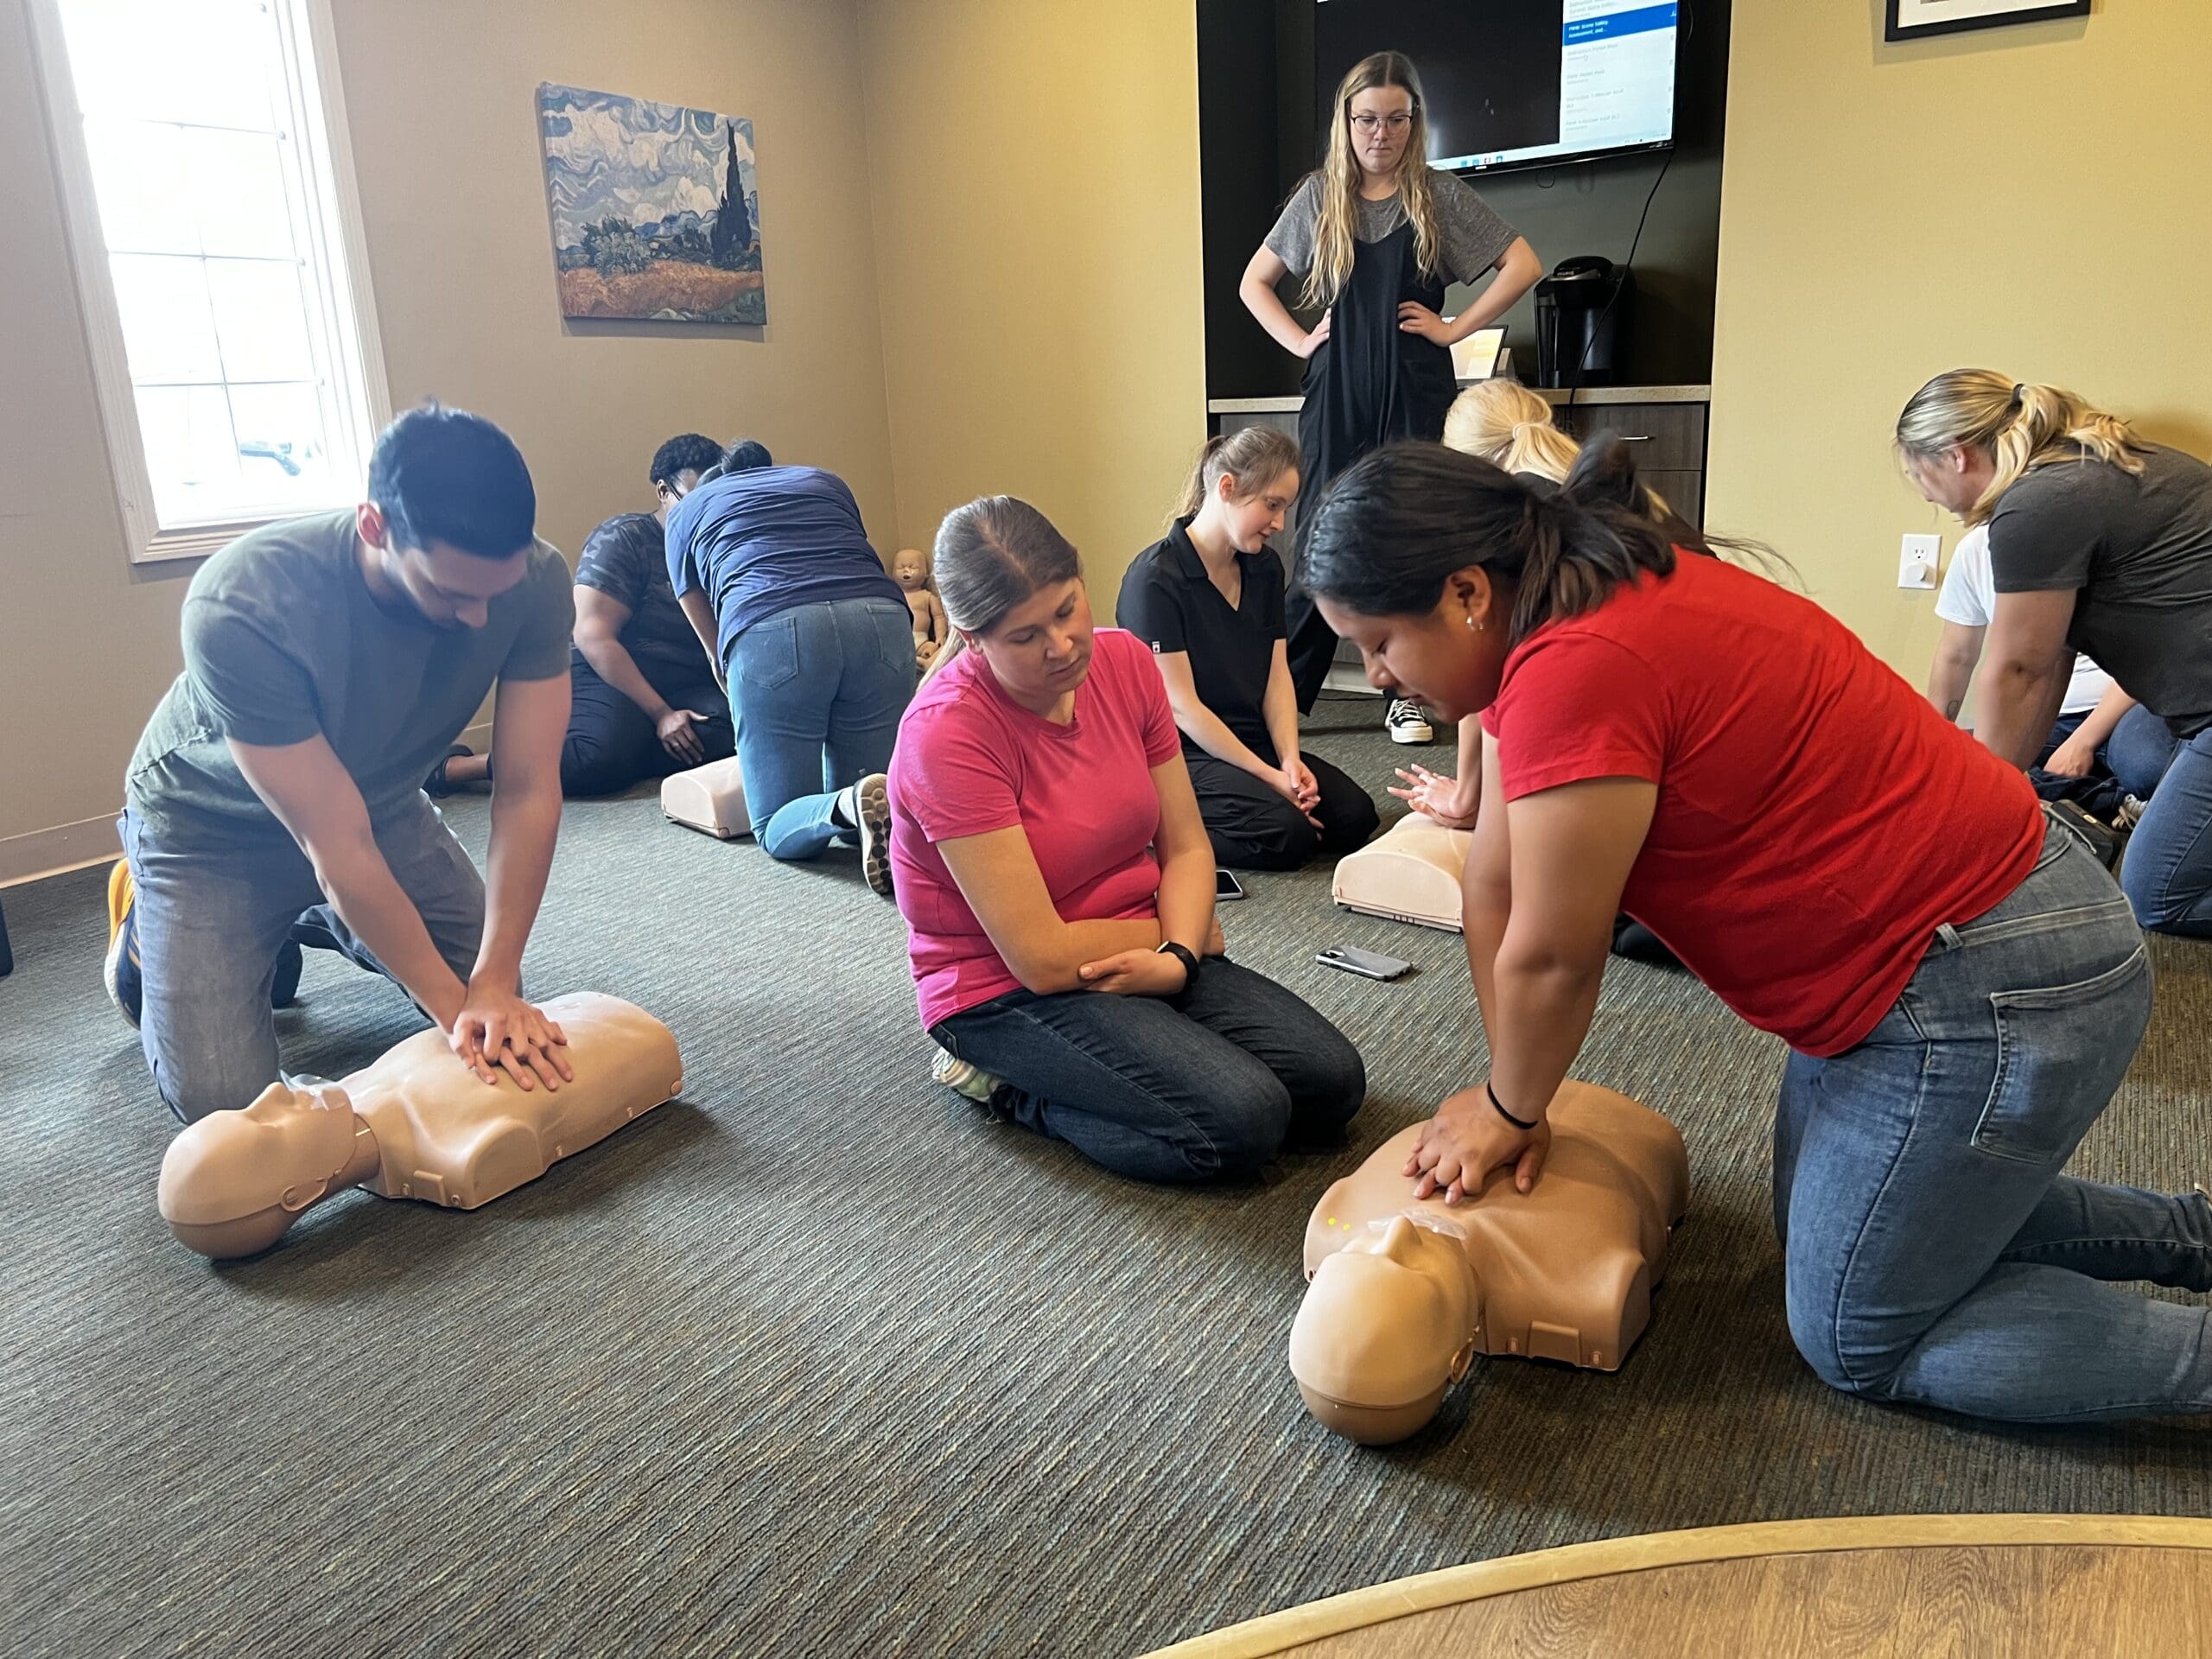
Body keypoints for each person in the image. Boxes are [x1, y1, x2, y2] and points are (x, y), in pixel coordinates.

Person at [1300, 437, 2211, 1425]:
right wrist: (1506, 1090)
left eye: (1380, 642)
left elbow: (1557, 955)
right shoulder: (1571, 602)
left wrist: (1513, 1109)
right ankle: (2196, 1237)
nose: (1373, 674)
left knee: (1861, 1330)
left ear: (1468, 593)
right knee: (1846, 1229)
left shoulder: (1578, 664)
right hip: (1952, 948)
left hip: (1993, 980)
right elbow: (1494, 878)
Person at [105, 404, 579, 1123]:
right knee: (230, 1110)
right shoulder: (242, 601)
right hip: (207, 835)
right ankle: (146, 935)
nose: (481, 619)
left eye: (496, 592)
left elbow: (526, 789)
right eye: (453, 594)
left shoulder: (538, 581)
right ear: (374, 527)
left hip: (380, 804)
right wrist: (458, 1017)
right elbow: (338, 847)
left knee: (493, 998)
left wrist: (494, 980)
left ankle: (307, 921)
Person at [887, 495, 1366, 1183]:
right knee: (1242, 1123)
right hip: (1002, 989)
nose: (1061, 646)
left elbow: (1189, 848)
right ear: (970, 635)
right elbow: (1043, 959)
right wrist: (1178, 938)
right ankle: (1004, 1087)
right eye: (1024, 637)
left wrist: (1177, 954)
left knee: (1331, 1086)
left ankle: (1143, 1049)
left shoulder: (1125, 662)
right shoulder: (947, 733)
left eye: (1066, 609)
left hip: (1145, 938)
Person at [1240, 49, 1541, 744]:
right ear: (1347, 122)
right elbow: (1254, 282)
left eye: (1397, 120)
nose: (1382, 134)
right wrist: (1298, 343)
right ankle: (1282, 700)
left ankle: (1405, 694)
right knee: (1320, 531)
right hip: (1336, 385)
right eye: (1368, 119)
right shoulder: (1319, 197)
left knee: (1410, 534)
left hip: (1415, 381)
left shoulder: (1437, 195)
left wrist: (1456, 328)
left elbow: (1522, 264)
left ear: (1415, 123)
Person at [1897, 371, 2212, 935]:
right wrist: (2003, 790)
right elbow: (2049, 662)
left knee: (2156, 897)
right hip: (2192, 714)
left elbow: (2020, 669)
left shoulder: (2040, 502)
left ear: (1955, 455)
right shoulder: (2096, 467)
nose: (1922, 492)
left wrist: (1974, 825)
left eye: (1916, 472)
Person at [1116, 428, 1378, 869]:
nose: (1279, 523)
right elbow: (1182, 709)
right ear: (1227, 488)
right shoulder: (1155, 580)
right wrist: (1270, 779)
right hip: (1181, 756)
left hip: (1250, 741)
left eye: (1284, 509)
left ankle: (1258, 805)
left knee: (1355, 818)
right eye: (1272, 505)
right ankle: (1151, 833)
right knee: (1287, 838)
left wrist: (1290, 761)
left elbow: (1278, 676)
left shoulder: (1264, 568)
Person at [664, 440, 916, 892]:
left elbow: (695, 607)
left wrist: (728, 670)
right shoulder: (825, 481)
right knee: (872, 787)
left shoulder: (688, 508)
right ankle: (860, 805)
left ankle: (846, 805)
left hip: (772, 626)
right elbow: (853, 550)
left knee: (775, 825)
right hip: (881, 619)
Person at [433, 433, 734, 798]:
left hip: (683, 680)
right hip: (605, 672)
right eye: (694, 498)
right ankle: (458, 768)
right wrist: (661, 714)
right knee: (594, 759)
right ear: (663, 491)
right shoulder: (624, 539)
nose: (706, 510)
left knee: (737, 727)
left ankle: (630, 746)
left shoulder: (721, 544)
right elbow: (593, 636)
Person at [1927, 522, 2176, 821]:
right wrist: (1930, 746)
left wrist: (2082, 742)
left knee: (2149, 769)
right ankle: (2110, 800)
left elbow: (2148, 657)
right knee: (1953, 771)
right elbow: (1956, 656)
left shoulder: (2100, 538)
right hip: (2051, 721)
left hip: (2128, 709)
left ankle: (2080, 790)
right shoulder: (1974, 550)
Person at [895, 546, 949, 668]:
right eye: (901, 567)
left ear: (925, 573)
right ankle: (913, 661)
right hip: (899, 638)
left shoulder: (927, 596)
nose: (906, 571)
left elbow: (939, 617)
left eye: (913, 567)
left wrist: (940, 636)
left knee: (933, 648)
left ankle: (922, 660)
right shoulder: (894, 595)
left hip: (921, 640)